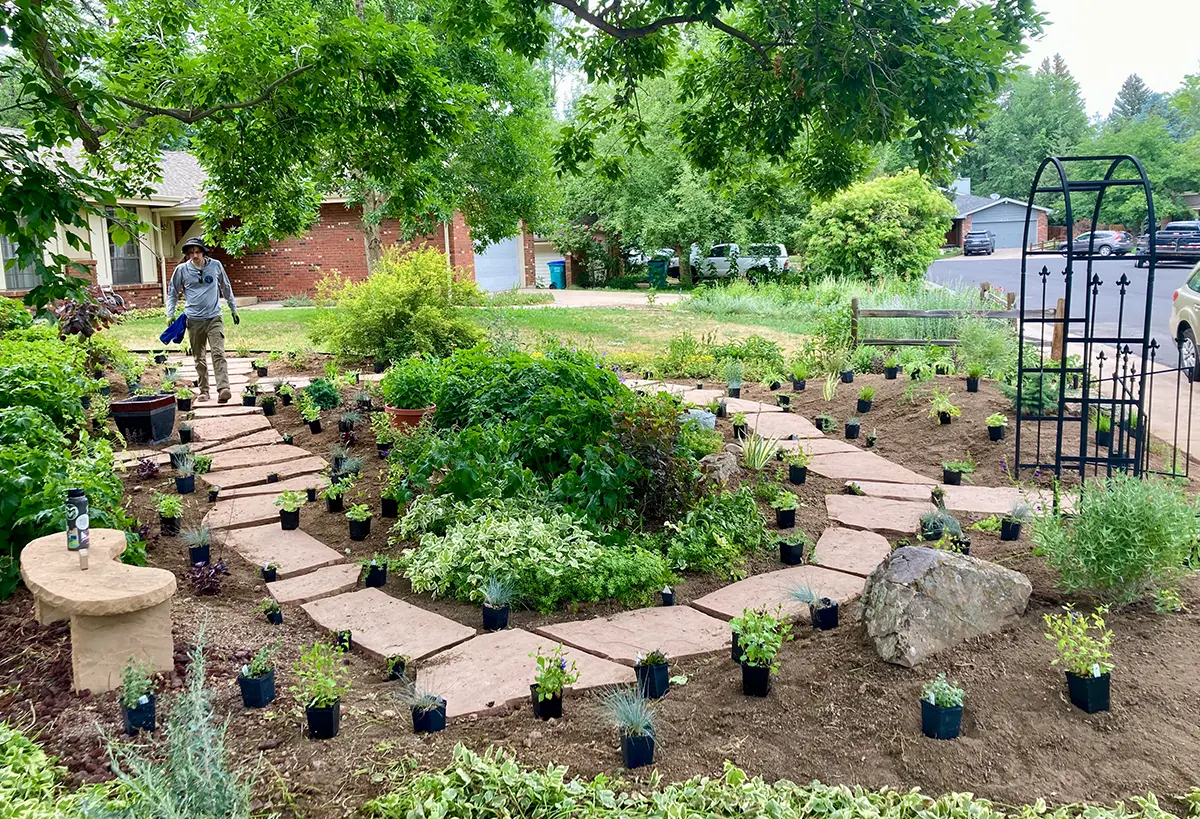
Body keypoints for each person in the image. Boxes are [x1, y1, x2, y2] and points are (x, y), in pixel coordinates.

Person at [166, 238, 240, 403]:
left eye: (197, 251)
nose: (194, 255)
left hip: (214, 317)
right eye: (191, 252)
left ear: (203, 252)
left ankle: (223, 389)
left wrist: (233, 308)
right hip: (193, 320)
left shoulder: (215, 265)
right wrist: (169, 313)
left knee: (218, 352)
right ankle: (204, 391)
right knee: (199, 357)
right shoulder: (181, 270)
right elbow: (172, 292)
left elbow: (225, 286)